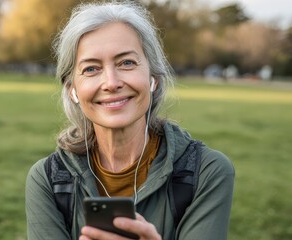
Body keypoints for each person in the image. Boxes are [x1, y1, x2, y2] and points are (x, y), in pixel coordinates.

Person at [25, 1, 235, 239]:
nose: (111, 82)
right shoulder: (47, 180)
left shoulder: (207, 172)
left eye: (126, 63)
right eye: (91, 69)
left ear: (153, 78)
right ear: (72, 89)